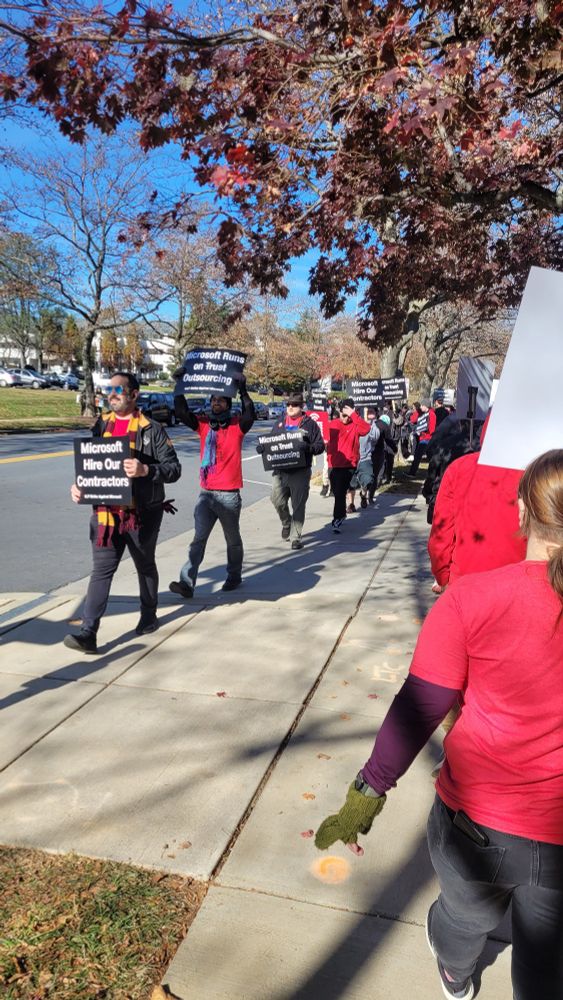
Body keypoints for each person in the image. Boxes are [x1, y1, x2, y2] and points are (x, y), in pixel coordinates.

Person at [315, 448, 563, 1000]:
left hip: (476, 824)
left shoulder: (470, 599)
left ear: (523, 512)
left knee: (463, 918)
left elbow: (419, 707)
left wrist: (365, 795)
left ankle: (455, 971)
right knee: (546, 963)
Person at [64, 371, 182, 654]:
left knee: (144, 565)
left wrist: (146, 470)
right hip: (105, 514)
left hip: (141, 514)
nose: (112, 394)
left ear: (134, 395)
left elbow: (173, 469)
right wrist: (80, 486)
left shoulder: (151, 429)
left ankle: (149, 614)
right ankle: (88, 632)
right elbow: (91, 466)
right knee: (102, 571)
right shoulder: (101, 424)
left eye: (119, 389)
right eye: (109, 389)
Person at [169, 375, 255, 597]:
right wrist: (179, 385)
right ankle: (187, 583)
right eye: (214, 400)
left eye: (221, 400)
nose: (216, 403)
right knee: (198, 539)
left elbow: (250, 414)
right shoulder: (204, 425)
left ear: (228, 404)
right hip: (206, 495)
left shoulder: (237, 426)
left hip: (228, 496)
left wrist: (243, 390)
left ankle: (234, 576)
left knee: (232, 540)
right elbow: (181, 413)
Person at [428, 421, 526, 591]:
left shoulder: (459, 469)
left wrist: (443, 576)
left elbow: (442, 533)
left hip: (466, 583)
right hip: (520, 585)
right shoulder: (537, 473)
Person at [259, 392, 324, 549]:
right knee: (277, 500)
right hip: (281, 470)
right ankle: (286, 522)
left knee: (298, 504)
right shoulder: (280, 422)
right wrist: (263, 448)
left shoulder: (309, 424)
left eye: (294, 405)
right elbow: (271, 442)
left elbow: (320, 446)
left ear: (301, 407)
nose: (290, 407)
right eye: (288, 404)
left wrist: (308, 447)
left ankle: (296, 537)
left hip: (300, 471)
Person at [327, 400, 371, 532]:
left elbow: (366, 429)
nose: (346, 418)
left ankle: (337, 518)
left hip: (348, 465)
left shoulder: (356, 424)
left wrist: (353, 415)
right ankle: (341, 513)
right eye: (343, 415)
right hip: (333, 464)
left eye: (348, 415)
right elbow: (322, 437)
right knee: (337, 492)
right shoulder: (333, 424)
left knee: (340, 492)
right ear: (339, 413)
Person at [347, 407, 380, 512]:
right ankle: (351, 504)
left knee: (368, 480)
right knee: (351, 483)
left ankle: (363, 493)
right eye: (367, 411)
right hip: (352, 458)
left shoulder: (373, 425)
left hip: (365, 458)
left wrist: (368, 424)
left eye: (371, 412)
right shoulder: (353, 422)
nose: (369, 414)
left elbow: (375, 437)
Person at [408, 398, 437, 476]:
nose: (420, 407)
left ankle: (412, 473)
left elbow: (432, 429)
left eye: (422, 405)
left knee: (420, 456)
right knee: (422, 456)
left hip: (428, 439)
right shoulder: (421, 412)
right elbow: (412, 419)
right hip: (422, 439)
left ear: (426, 406)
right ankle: (413, 472)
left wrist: (422, 433)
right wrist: (417, 412)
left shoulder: (432, 414)